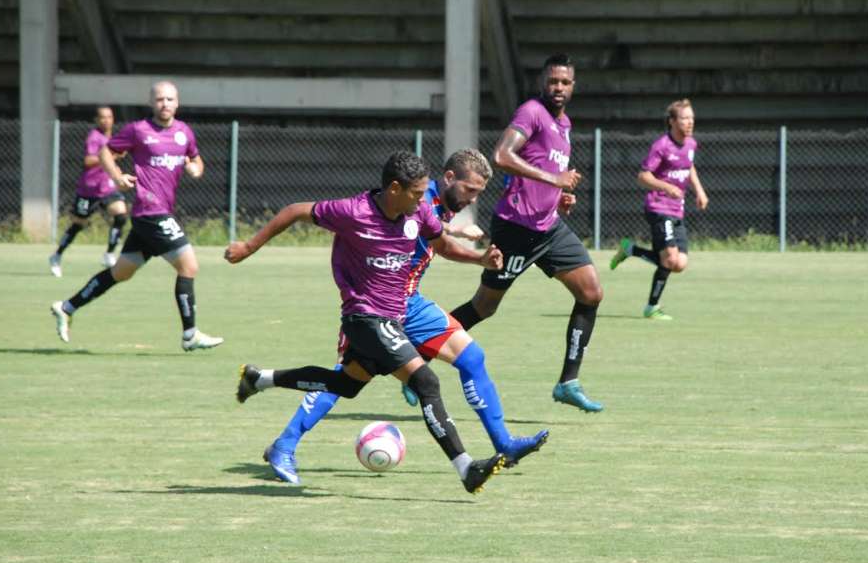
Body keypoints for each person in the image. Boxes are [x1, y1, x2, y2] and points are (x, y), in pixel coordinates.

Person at [258, 149, 549, 485]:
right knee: (347, 380)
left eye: (479, 194)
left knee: (472, 358)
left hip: (413, 305)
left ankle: (504, 445)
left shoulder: (430, 206)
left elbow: (431, 238)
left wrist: (462, 241)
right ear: (449, 179)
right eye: (469, 191)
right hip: (376, 308)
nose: (472, 199)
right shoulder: (414, 199)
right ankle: (285, 442)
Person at [448, 53, 605, 413]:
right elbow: (502, 156)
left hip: (548, 227)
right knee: (483, 308)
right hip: (516, 228)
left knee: (592, 293)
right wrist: (554, 179)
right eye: (553, 81)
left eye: (565, 82)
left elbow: (542, 170)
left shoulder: (564, 125)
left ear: (573, 85)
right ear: (543, 83)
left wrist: (559, 195)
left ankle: (568, 382)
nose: (559, 88)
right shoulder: (531, 111)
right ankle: (415, 359)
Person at [50, 81, 223, 351]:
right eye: (159, 99)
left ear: (177, 103)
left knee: (121, 272)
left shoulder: (184, 133)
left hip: (158, 213)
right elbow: (105, 152)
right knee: (189, 266)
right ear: (151, 103)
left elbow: (196, 160)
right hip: (150, 211)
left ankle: (67, 307)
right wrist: (117, 177)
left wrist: (196, 169)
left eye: (169, 99)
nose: (165, 104)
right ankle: (190, 334)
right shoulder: (138, 130)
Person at [610, 98, 709, 320]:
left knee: (679, 263)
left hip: (677, 210)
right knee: (670, 259)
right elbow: (643, 176)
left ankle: (631, 250)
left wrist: (700, 191)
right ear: (672, 121)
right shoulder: (661, 146)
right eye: (684, 118)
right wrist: (667, 186)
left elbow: (688, 165)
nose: (690, 122)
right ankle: (651, 307)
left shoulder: (691, 144)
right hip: (658, 207)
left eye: (692, 118)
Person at [49, 106, 129, 276]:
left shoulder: (113, 137)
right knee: (78, 225)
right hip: (89, 190)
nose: (106, 120)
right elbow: (89, 161)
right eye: (102, 117)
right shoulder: (95, 137)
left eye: (109, 117)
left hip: (107, 187)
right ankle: (56, 255)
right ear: (96, 120)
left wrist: (117, 171)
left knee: (121, 214)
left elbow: (111, 162)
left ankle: (109, 254)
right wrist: (113, 157)